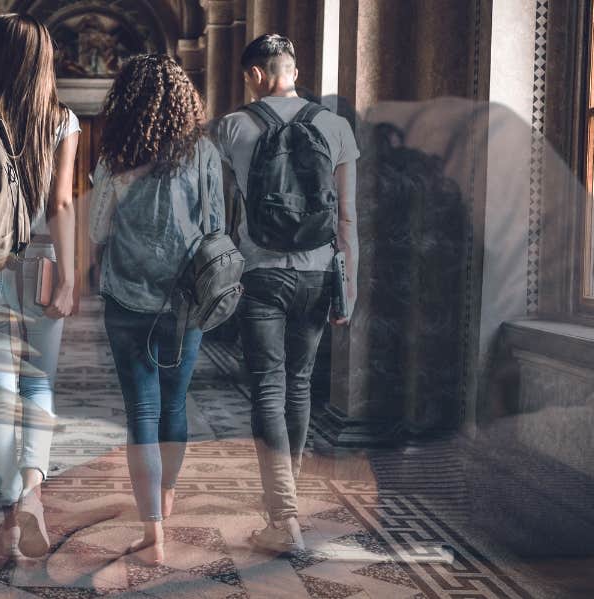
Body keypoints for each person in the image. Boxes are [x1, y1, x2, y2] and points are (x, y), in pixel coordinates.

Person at [214, 34, 360, 553]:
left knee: (268, 391)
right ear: (294, 71)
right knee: (299, 386)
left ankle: (285, 517)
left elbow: (224, 213)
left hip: (261, 275)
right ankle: (288, 508)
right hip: (320, 273)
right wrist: (351, 284)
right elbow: (346, 217)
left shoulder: (233, 127)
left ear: (254, 74)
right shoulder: (335, 126)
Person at [0, 14, 80, 566]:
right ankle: (31, 496)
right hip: (44, 257)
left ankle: (12, 510)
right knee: (37, 383)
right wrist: (71, 276)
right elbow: (62, 204)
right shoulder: (62, 120)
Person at [90, 54, 224, 566]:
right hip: (186, 300)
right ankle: (166, 500)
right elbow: (215, 225)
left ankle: (154, 532)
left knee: (141, 412)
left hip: (126, 296)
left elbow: (97, 230)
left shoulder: (114, 155)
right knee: (174, 405)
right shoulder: (203, 151)